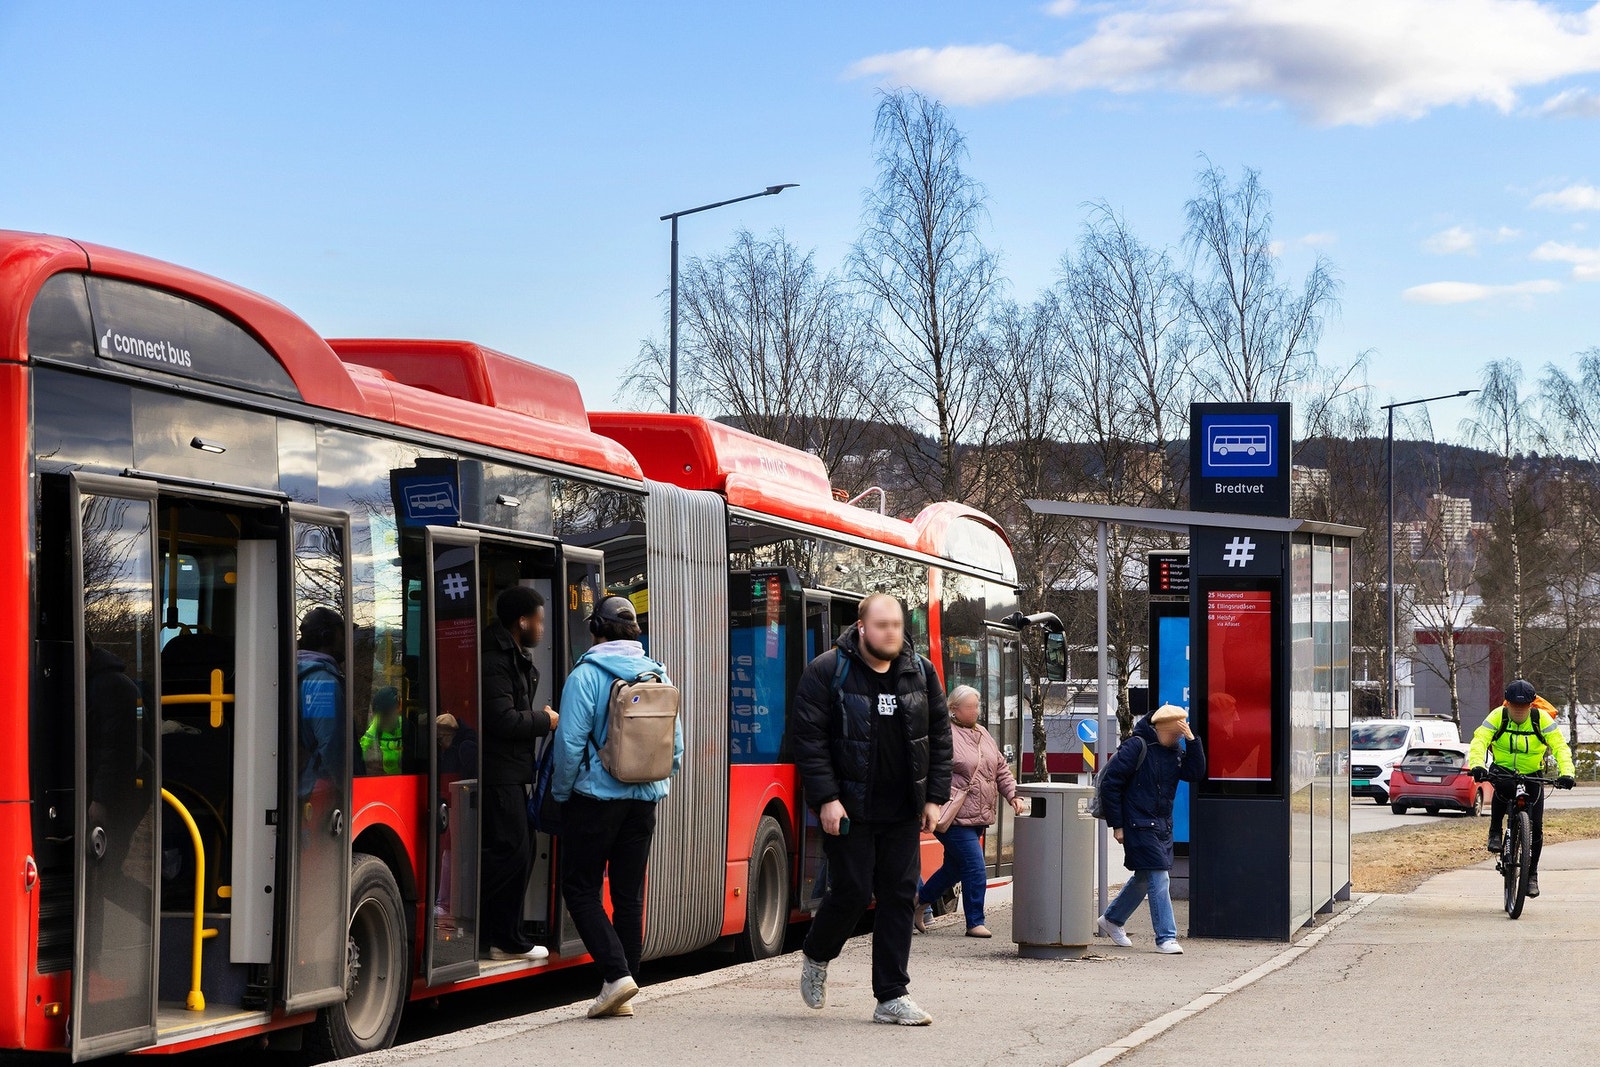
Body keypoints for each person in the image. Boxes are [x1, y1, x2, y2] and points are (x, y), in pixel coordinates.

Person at [792, 592, 952, 1027]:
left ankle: (891, 996)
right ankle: (817, 954)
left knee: (900, 896)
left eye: (897, 625)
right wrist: (826, 798)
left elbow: (939, 738)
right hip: (850, 808)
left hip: (903, 808)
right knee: (853, 892)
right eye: (882, 625)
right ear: (861, 627)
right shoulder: (828, 670)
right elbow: (809, 741)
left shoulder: (921, 672)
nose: (891, 633)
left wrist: (935, 798)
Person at [550, 596, 682, 1020]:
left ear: (596, 629)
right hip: (643, 802)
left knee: (581, 889)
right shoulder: (657, 674)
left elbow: (568, 745)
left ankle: (616, 974)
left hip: (595, 800)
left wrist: (560, 795)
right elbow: (676, 749)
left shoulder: (586, 675)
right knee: (628, 895)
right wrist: (653, 779)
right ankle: (624, 986)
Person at [480, 585, 558, 961]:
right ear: (521, 621)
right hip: (500, 774)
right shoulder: (496, 659)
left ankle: (503, 935)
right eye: (538, 620)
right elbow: (501, 719)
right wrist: (544, 720)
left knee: (520, 850)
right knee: (511, 853)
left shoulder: (510, 656)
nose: (541, 628)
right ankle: (501, 939)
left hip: (512, 772)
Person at [914, 684, 1025, 939]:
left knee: (954, 868)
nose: (976, 710)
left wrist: (1012, 795)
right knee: (975, 866)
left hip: (978, 816)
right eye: (971, 706)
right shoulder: (943, 734)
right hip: (952, 815)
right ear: (954, 710)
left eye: (977, 706)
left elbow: (1000, 769)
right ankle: (975, 921)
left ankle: (920, 902)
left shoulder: (983, 733)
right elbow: (929, 770)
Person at [1096, 704, 1206, 955]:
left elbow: (1195, 772)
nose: (1177, 739)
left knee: (1145, 878)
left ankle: (1112, 920)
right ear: (1162, 729)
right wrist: (1117, 825)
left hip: (1162, 825)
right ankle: (1166, 937)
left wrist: (1192, 740)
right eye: (1176, 734)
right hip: (1137, 823)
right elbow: (1111, 785)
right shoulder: (1136, 746)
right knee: (1159, 876)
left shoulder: (1176, 749)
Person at [1468, 679, 1576, 900]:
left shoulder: (1540, 719)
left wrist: (1567, 773)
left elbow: (1559, 746)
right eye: (1514, 707)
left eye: (1523, 707)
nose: (1518, 711)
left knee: (1536, 829)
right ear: (1507, 704)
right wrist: (1477, 765)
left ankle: (1532, 875)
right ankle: (1495, 831)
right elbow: (1480, 740)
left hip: (1532, 774)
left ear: (1531, 705)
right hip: (1504, 770)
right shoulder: (1498, 716)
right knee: (1501, 787)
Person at [360, 686, 406, 775]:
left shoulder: (404, 723)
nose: (385, 721)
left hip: (406, 775)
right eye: (383, 716)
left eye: (388, 715)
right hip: (388, 775)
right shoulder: (377, 723)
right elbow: (363, 745)